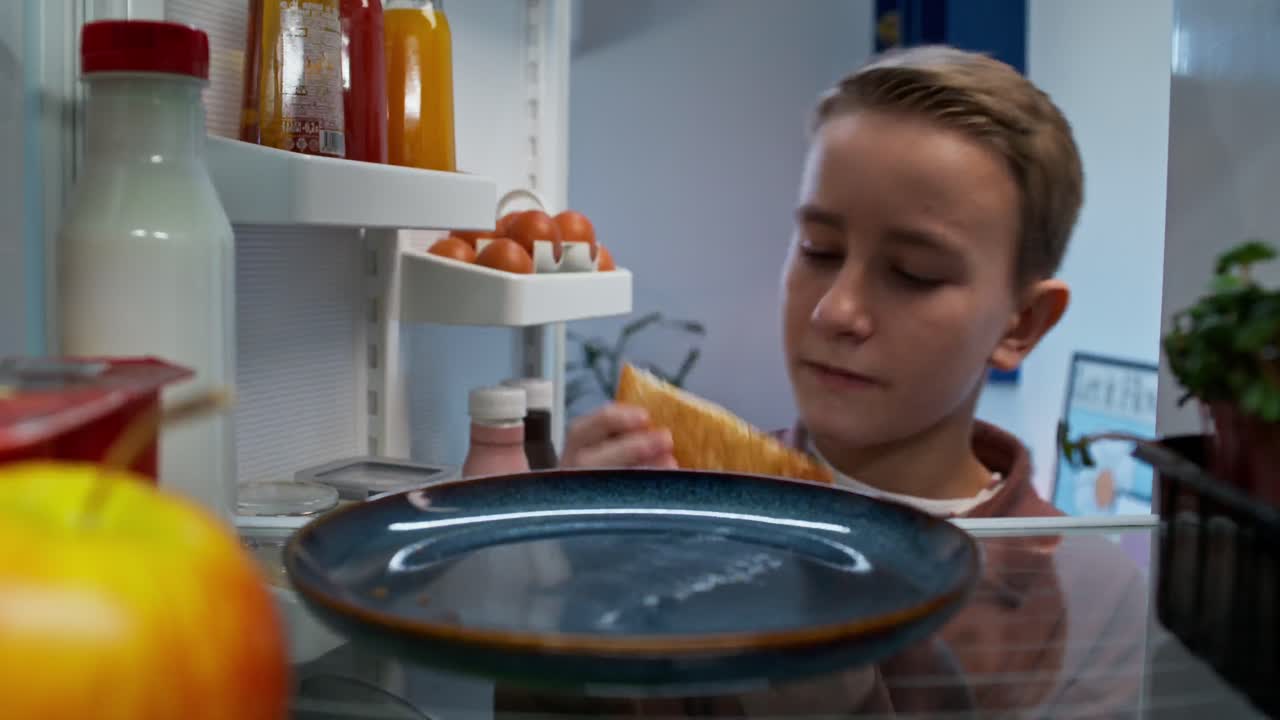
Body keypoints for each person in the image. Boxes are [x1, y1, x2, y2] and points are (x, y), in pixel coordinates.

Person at [546, 45, 1148, 715]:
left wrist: (826, 673)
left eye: (914, 272)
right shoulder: (699, 507)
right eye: (819, 251)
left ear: (1022, 325)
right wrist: (576, 606)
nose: (835, 310)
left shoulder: (1092, 594)